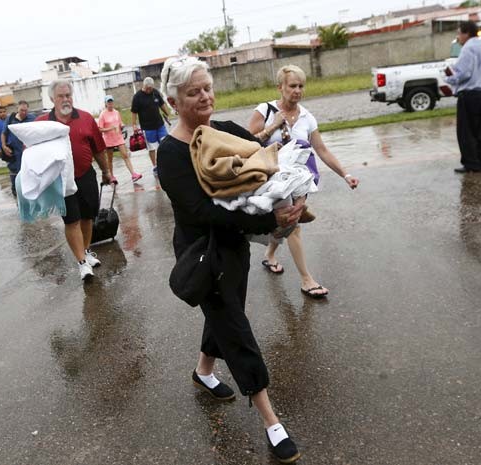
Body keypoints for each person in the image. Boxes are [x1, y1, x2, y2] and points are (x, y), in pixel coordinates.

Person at [157, 56, 305, 463]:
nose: (205, 96)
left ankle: (204, 371)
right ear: (173, 101)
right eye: (193, 92)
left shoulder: (221, 130)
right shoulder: (170, 154)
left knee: (225, 313)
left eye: (207, 87)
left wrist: (294, 192)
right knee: (235, 327)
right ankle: (271, 421)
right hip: (202, 251)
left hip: (234, 244)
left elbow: (264, 157)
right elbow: (201, 214)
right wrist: (265, 216)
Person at [249, 65, 359, 298]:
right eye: (292, 86)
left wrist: (345, 174)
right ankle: (307, 280)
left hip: (299, 182)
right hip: (273, 180)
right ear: (280, 87)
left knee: (286, 222)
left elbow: (322, 150)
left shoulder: (307, 118)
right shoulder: (265, 110)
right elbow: (247, 142)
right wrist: (272, 127)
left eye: (301, 86)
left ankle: (269, 256)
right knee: (293, 225)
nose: (298, 90)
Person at [36, 80, 111, 281]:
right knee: (72, 221)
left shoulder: (86, 118)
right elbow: (32, 154)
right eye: (61, 96)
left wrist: (106, 171)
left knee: (87, 218)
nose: (65, 99)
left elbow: (98, 149)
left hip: (86, 175)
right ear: (52, 99)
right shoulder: (43, 123)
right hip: (61, 181)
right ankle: (81, 263)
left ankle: (85, 252)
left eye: (68, 95)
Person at [445, 20, 481, 173]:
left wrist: (448, 78)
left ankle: (472, 164)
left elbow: (463, 74)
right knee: (480, 130)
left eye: (459, 33)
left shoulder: (468, 49)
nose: (457, 36)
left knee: (466, 132)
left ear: (466, 33)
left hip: (469, 94)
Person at [97, 95, 142, 183]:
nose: (110, 103)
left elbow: (120, 122)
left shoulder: (116, 112)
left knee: (125, 155)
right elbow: (100, 129)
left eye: (111, 102)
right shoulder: (103, 114)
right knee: (110, 159)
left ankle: (133, 174)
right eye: (108, 102)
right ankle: (112, 176)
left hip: (118, 137)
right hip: (108, 140)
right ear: (105, 104)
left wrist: (122, 125)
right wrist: (110, 128)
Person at [131, 77, 171, 175]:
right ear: (144, 86)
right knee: (152, 148)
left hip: (160, 124)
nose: (149, 90)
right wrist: (134, 125)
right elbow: (134, 112)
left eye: (151, 88)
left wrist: (167, 113)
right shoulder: (137, 97)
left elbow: (161, 104)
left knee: (165, 144)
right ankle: (155, 166)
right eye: (148, 88)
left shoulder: (155, 92)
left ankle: (166, 163)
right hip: (147, 128)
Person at [1, 101, 35, 196]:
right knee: (15, 172)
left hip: (27, 151)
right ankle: (15, 191)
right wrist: (4, 146)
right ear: (17, 109)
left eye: (25, 110)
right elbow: (3, 133)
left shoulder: (32, 118)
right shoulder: (10, 119)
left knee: (28, 171)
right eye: (21, 110)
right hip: (14, 152)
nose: (23, 112)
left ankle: (28, 191)